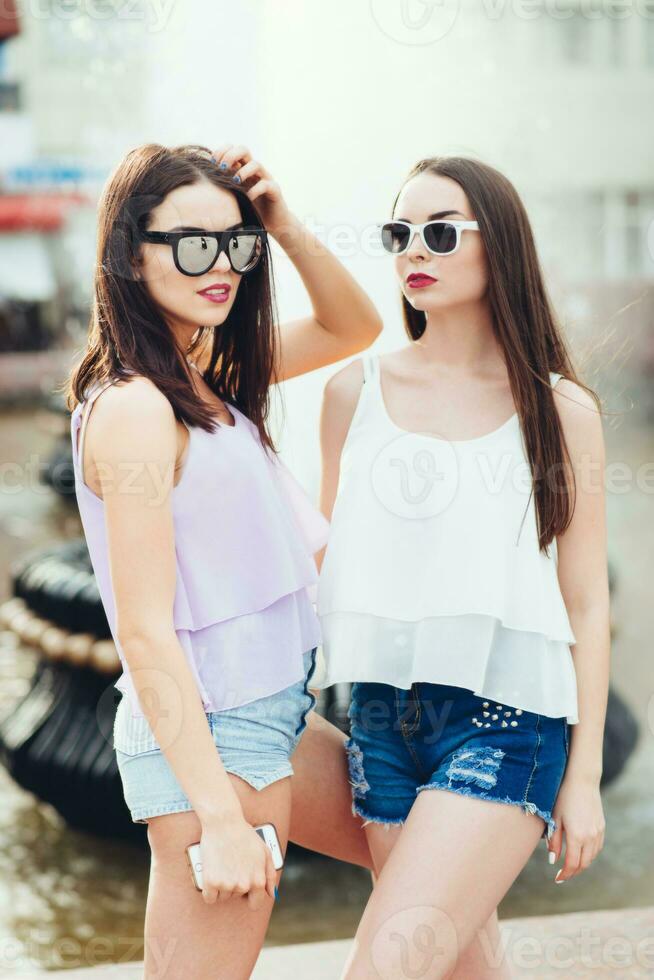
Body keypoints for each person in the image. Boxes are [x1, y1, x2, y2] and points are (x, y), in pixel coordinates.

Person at [65, 141, 382, 979]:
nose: (224, 266)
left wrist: (281, 223)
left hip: (271, 713)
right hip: (214, 739)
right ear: (130, 254)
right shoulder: (136, 407)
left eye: (237, 244)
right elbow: (142, 630)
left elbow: (358, 326)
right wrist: (219, 816)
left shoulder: (205, 375)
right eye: (193, 243)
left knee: (417, 855)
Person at [303, 156, 609, 978]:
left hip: (507, 725)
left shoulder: (559, 409)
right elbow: (326, 562)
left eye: (440, 232)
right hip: (379, 725)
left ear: (498, 246)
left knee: (389, 964)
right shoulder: (350, 393)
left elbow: (585, 604)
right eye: (398, 233)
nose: (413, 251)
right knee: (461, 966)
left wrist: (583, 781)